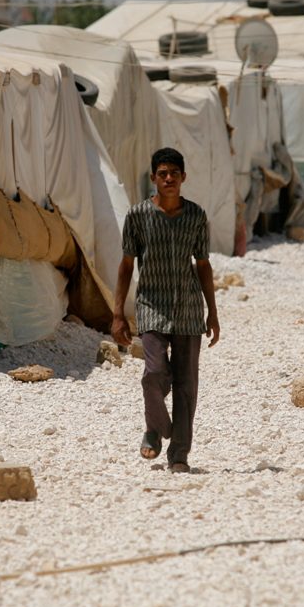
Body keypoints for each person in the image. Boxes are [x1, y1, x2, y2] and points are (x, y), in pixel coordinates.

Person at [112, 147, 220, 473]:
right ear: (153, 178)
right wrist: (118, 313)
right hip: (151, 306)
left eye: (174, 173)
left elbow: (203, 265)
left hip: (188, 308)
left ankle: (179, 456)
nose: (169, 178)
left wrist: (212, 312)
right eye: (163, 173)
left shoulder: (197, 216)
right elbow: (126, 265)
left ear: (183, 177)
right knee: (154, 373)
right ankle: (157, 426)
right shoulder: (138, 216)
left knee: (187, 386)